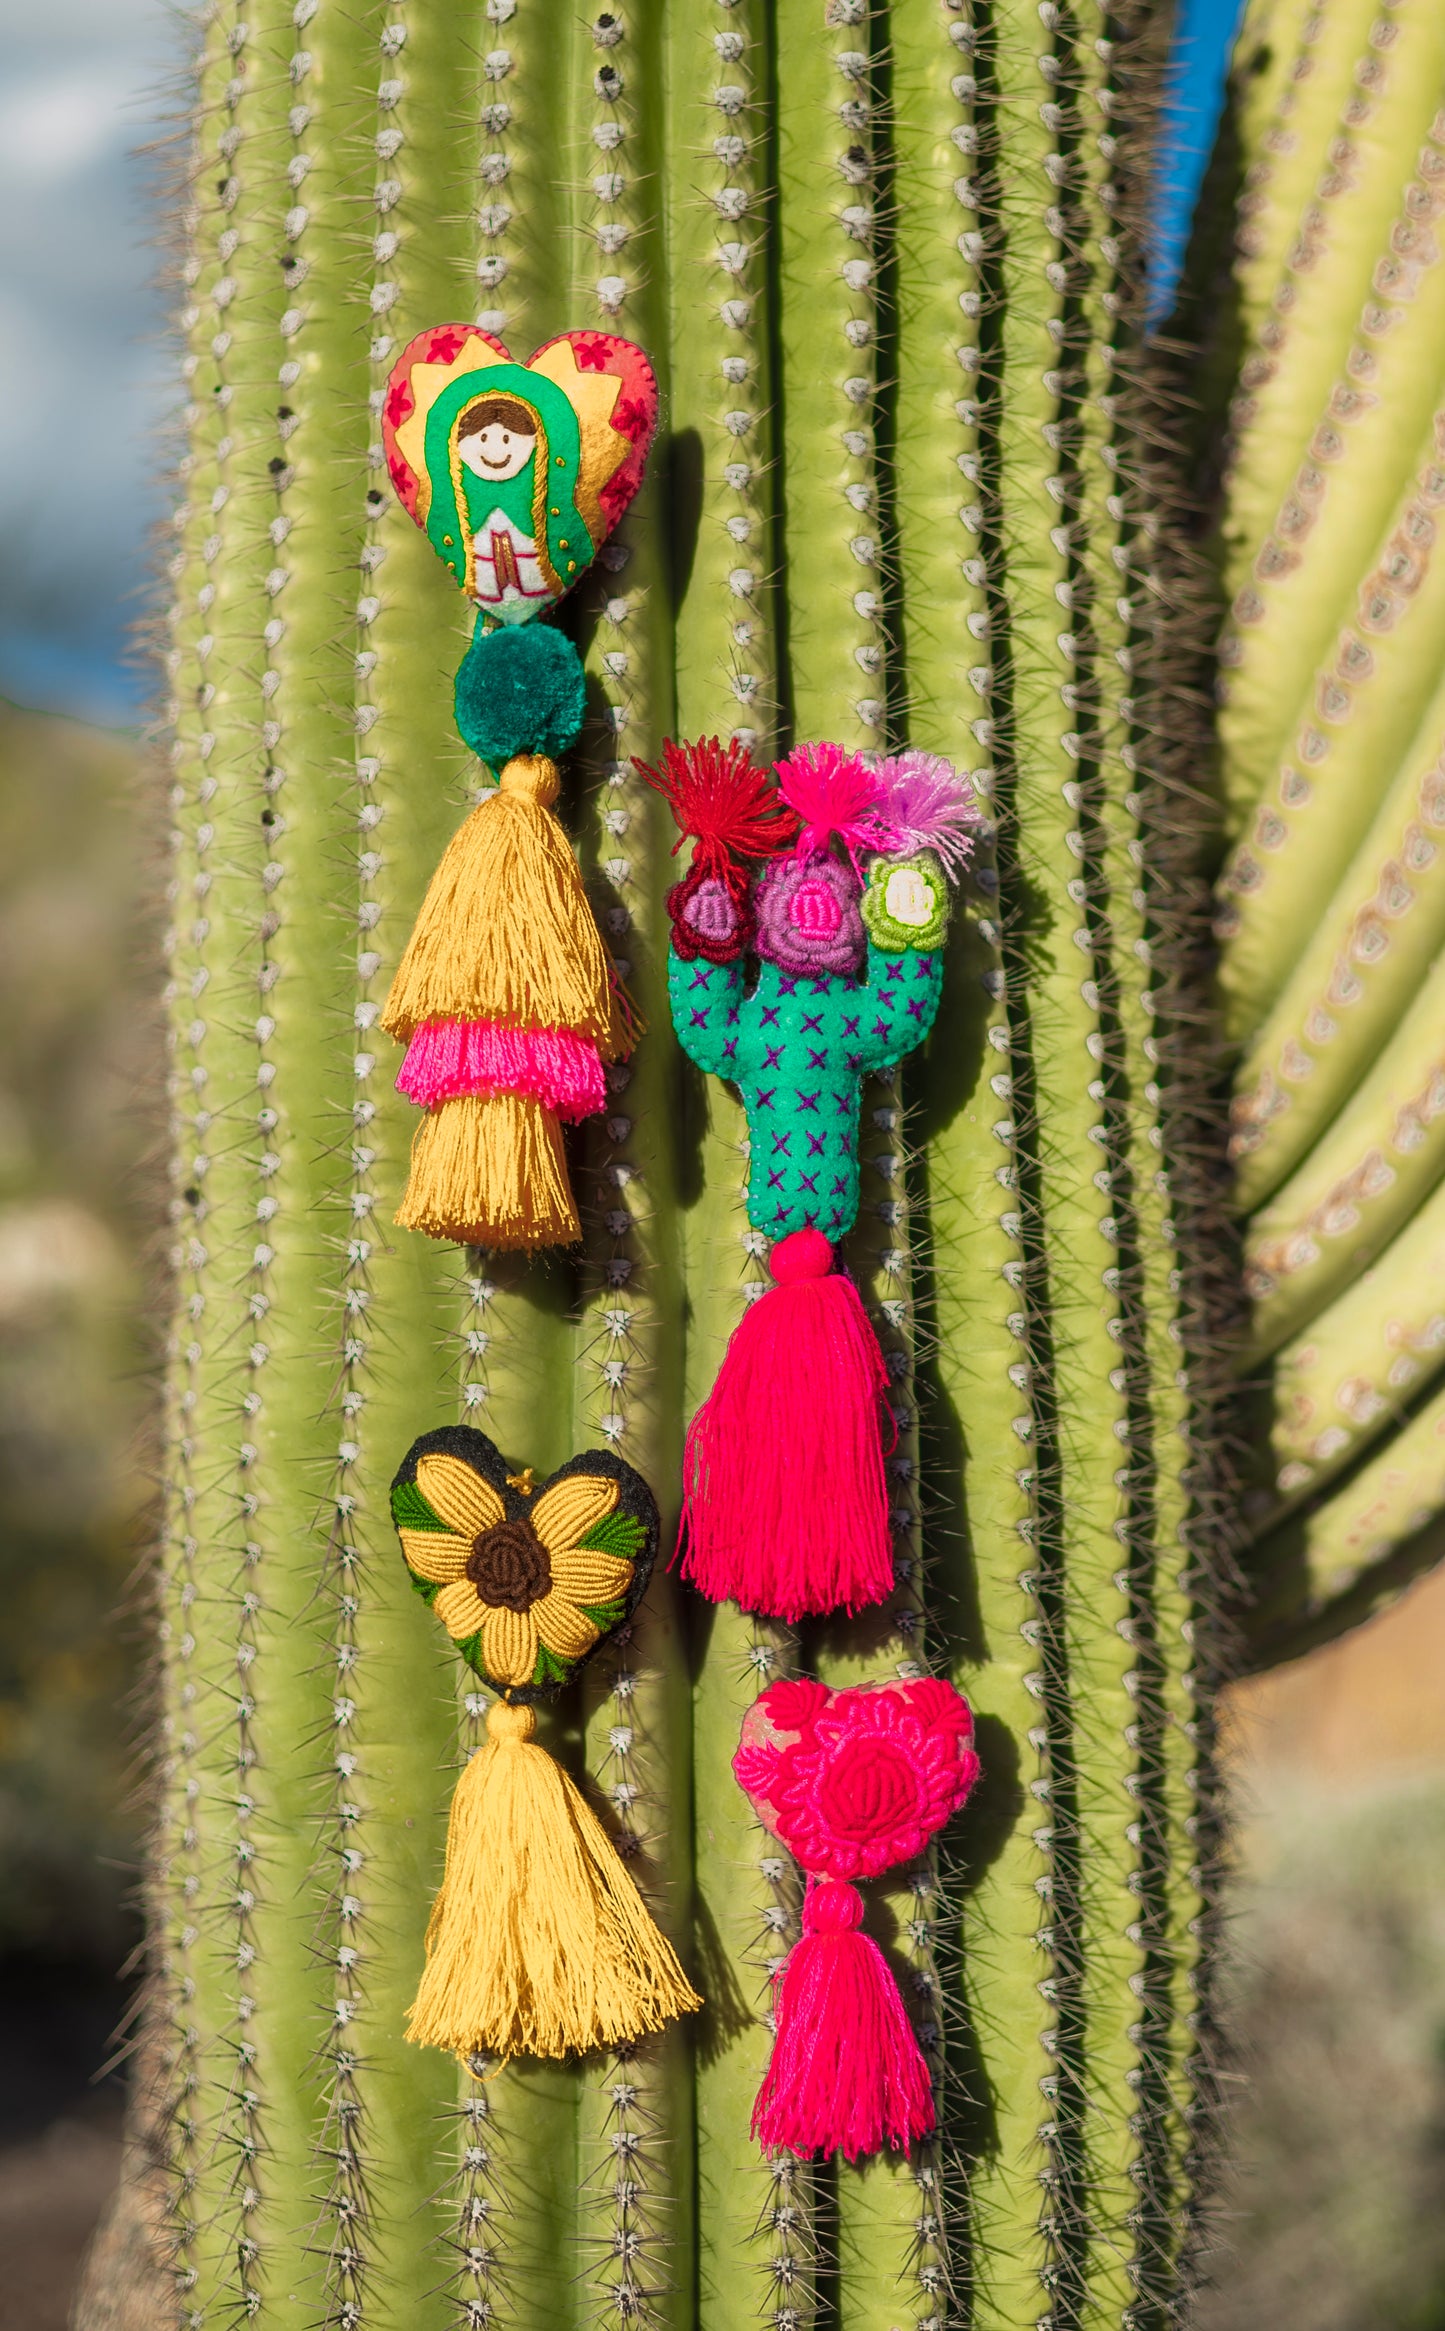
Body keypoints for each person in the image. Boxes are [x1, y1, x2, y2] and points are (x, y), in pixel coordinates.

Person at [454, 393, 551, 614]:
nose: (495, 452)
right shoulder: (465, 493)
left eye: (507, 439)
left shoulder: (535, 491)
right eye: (483, 438)